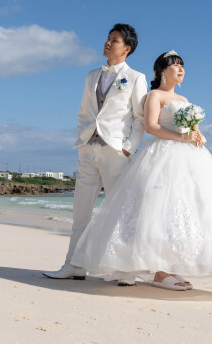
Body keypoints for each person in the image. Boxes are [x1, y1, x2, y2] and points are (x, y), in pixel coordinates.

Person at [70, 51, 212, 290]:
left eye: (182, 65)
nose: (181, 69)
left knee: (187, 209)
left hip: (190, 159)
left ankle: (172, 267)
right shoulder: (154, 96)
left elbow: (193, 128)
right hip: (162, 156)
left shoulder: (184, 97)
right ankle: (159, 272)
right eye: (176, 65)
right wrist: (181, 137)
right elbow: (151, 127)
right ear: (162, 71)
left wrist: (198, 135)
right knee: (159, 209)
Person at [43, 24, 148, 282]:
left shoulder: (136, 78)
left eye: (114, 40)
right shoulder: (91, 75)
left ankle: (126, 270)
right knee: (81, 211)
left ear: (127, 48)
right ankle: (74, 265)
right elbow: (84, 112)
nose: (108, 43)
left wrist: (128, 148)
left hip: (116, 152)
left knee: (121, 212)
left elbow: (140, 118)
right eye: (108, 39)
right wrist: (82, 139)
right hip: (88, 149)